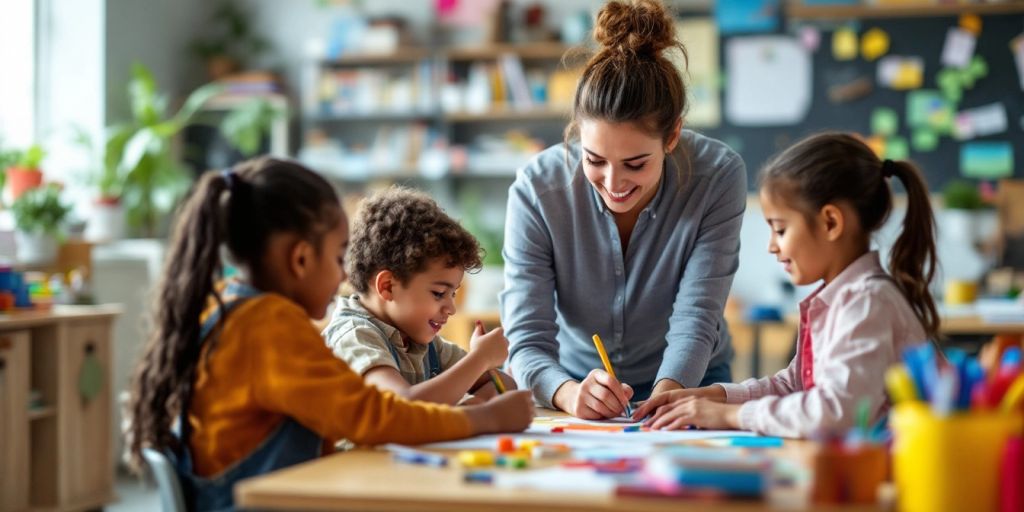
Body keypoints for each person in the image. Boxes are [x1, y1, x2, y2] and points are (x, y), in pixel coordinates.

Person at [126, 158, 533, 511]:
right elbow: (378, 417)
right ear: (301, 258)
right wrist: (485, 417)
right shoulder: (268, 326)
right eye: (339, 257)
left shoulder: (234, 310)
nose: (344, 275)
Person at [501, 0, 746, 420]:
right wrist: (566, 392)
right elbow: (526, 339)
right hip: (577, 386)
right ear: (578, 134)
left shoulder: (717, 176)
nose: (613, 184)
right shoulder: (536, 190)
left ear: (672, 137)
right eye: (594, 160)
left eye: (636, 164)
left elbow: (697, 315)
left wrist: (668, 396)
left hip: (691, 380)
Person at [633, 132, 938, 437]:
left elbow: (834, 412)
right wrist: (713, 396)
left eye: (780, 229)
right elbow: (795, 385)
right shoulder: (842, 299)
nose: (772, 246)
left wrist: (732, 416)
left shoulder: (867, 303)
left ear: (830, 222)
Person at [323, 186, 516, 405]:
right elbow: (401, 406)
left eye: (452, 293)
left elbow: (506, 385)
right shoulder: (355, 336)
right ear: (387, 286)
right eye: (439, 293)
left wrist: (474, 401)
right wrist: (479, 360)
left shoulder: (424, 343)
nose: (451, 308)